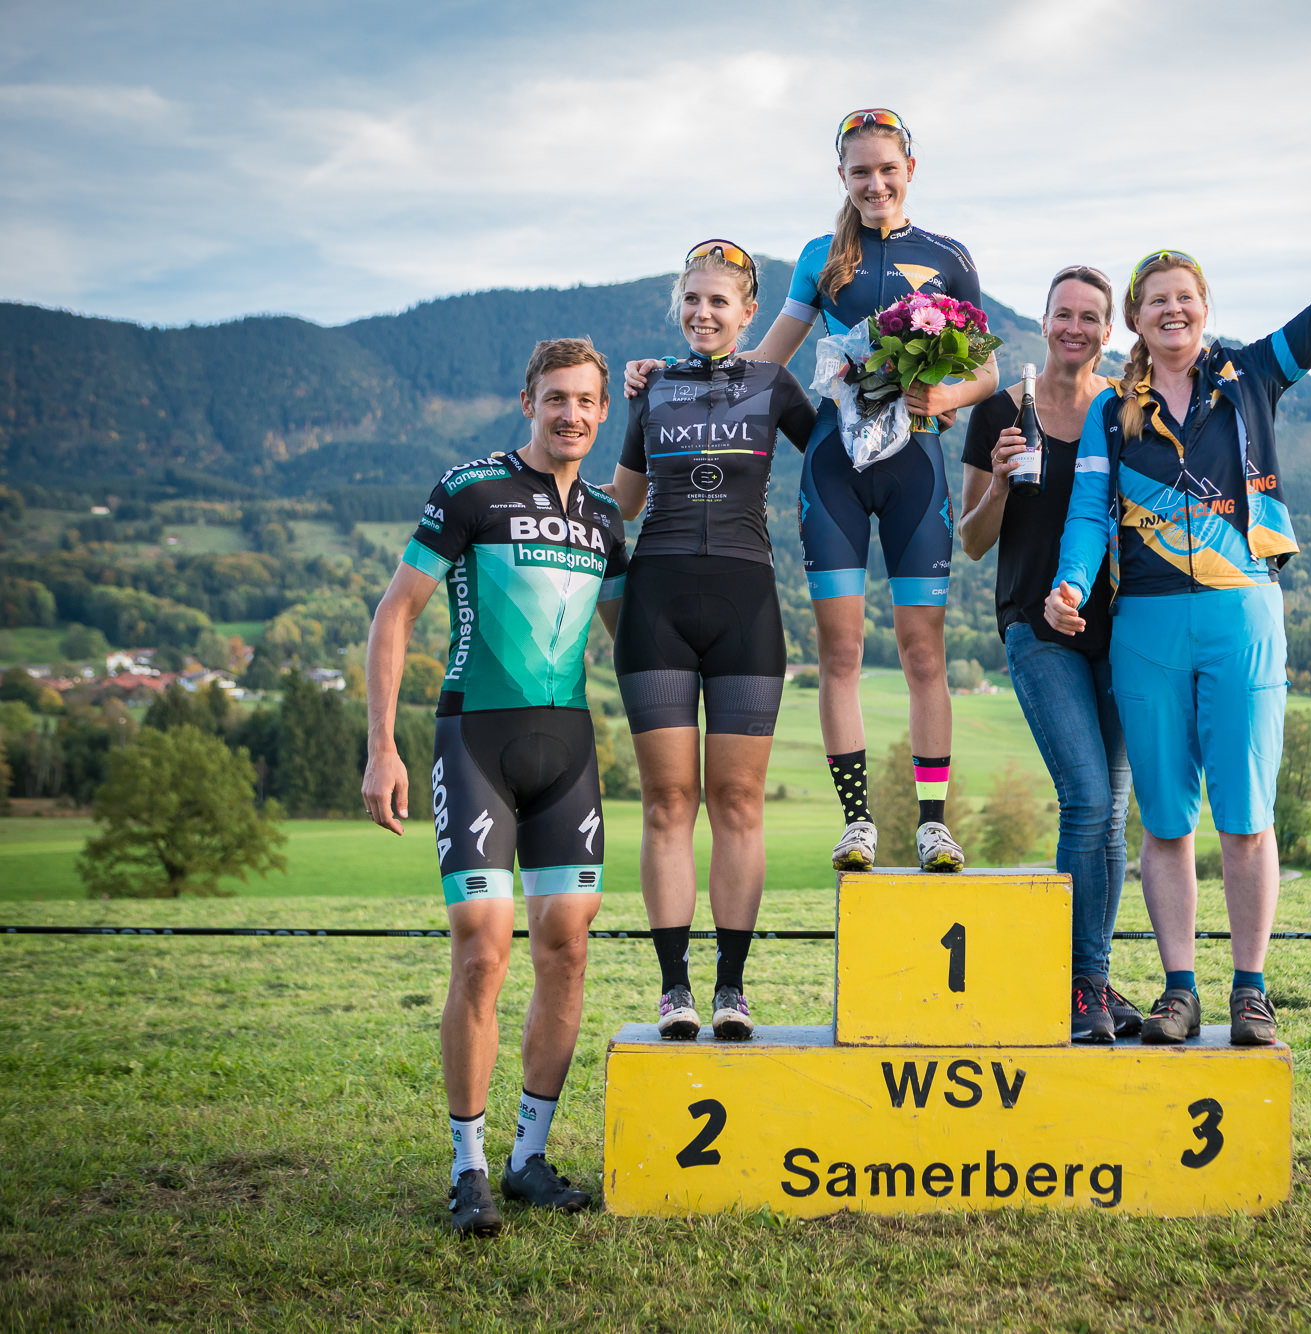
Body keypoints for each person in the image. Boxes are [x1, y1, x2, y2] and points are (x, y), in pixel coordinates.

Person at [1046, 118, 1311, 1047]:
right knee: (1165, 825)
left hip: (1242, 616)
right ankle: (1179, 989)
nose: (1173, 312)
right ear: (1135, 320)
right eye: (1156, 302)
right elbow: (1088, 515)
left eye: (1185, 298)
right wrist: (1071, 585)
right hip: (1146, 627)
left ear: (1203, 306)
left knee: (1247, 818)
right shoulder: (1114, 410)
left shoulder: (1254, 375)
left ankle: (1251, 991)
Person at [626, 108, 996, 873]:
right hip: (836, 466)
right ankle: (858, 823)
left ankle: (933, 825)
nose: (875, 183)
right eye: (860, 172)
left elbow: (987, 368)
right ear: (841, 177)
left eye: (887, 169)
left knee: (923, 651)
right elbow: (761, 360)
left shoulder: (948, 256)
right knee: (841, 651)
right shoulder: (821, 258)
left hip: (917, 464)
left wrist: (948, 397)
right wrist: (668, 373)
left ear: (910, 170)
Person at [361, 338, 628, 1235]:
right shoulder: (471, 489)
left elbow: (635, 635)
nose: (571, 414)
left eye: (586, 401)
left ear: (603, 411)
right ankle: (468, 1166)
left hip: (569, 752)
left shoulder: (604, 518)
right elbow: (396, 612)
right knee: (481, 951)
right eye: (556, 398)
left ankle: (527, 1160)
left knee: (567, 949)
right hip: (476, 742)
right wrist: (381, 748)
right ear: (529, 402)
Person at [608, 241, 817, 1043]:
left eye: (718, 301)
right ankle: (675, 991)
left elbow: (840, 463)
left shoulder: (773, 383)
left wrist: (915, 406)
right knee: (668, 803)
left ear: (747, 312)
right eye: (691, 300)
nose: (702, 313)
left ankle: (732, 987)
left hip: (746, 605)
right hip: (657, 607)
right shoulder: (651, 387)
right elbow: (624, 503)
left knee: (737, 802)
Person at [960, 264, 1141, 1043]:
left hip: (1123, 632)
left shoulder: (1125, 411)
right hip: (1037, 630)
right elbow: (970, 541)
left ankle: (1092, 979)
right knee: (1087, 798)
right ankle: (1080, 983)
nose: (1074, 327)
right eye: (1062, 314)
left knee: (1114, 817)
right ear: (1043, 323)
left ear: (1108, 331)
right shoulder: (1000, 412)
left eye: (1089, 317)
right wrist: (1000, 483)